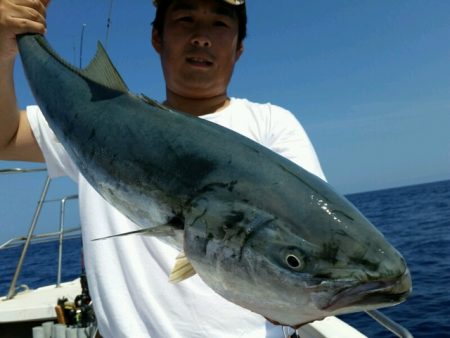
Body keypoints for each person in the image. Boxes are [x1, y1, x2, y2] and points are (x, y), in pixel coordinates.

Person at [0, 0, 326, 337]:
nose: (201, 37)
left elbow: (311, 240)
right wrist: (3, 48)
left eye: (219, 24)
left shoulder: (271, 126)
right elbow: (5, 137)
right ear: (157, 37)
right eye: (185, 19)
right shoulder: (98, 118)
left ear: (239, 46)